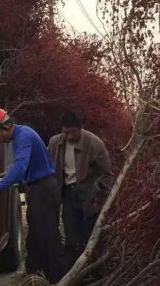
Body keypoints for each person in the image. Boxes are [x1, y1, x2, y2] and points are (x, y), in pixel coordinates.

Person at [0, 107, 64, 283]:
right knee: (34, 236)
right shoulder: (21, 135)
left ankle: (56, 283)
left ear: (1, 128)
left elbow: (20, 167)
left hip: (44, 190)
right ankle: (33, 278)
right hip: (39, 189)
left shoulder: (23, 136)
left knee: (48, 238)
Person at [48, 111, 112, 267]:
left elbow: (107, 173)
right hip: (68, 194)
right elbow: (48, 168)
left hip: (90, 194)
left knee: (92, 235)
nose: (69, 136)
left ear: (80, 129)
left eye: (73, 132)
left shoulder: (94, 143)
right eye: (65, 132)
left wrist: (98, 193)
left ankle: (94, 271)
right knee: (71, 234)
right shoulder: (55, 143)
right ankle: (71, 273)